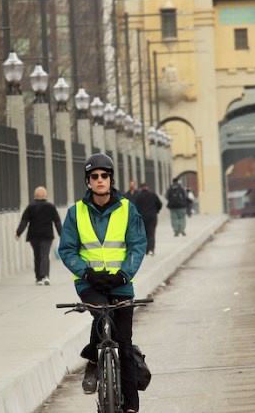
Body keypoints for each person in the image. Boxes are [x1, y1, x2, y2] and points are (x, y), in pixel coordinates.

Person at [59, 154, 147, 413]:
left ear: (110, 179)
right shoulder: (76, 213)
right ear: (88, 181)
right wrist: (85, 273)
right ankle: (94, 361)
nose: (100, 180)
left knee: (126, 345)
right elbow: (67, 250)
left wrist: (124, 274)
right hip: (90, 283)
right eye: (94, 177)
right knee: (100, 315)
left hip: (120, 282)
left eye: (104, 176)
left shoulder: (127, 209)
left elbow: (137, 245)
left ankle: (130, 407)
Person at [16, 186, 63, 285]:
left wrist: (18, 233)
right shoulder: (50, 206)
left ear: (35, 195)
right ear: (45, 195)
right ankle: (46, 276)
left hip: (34, 236)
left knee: (37, 256)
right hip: (47, 235)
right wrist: (62, 235)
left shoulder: (31, 206)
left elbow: (24, 221)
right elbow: (57, 222)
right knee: (45, 255)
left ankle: (39, 278)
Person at [131, 183, 162, 256]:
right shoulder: (153, 194)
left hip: (142, 218)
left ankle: (146, 250)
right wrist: (156, 210)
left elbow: (135, 207)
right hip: (152, 217)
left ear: (140, 188)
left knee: (144, 234)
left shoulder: (138, 196)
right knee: (151, 233)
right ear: (147, 187)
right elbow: (160, 204)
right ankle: (151, 249)